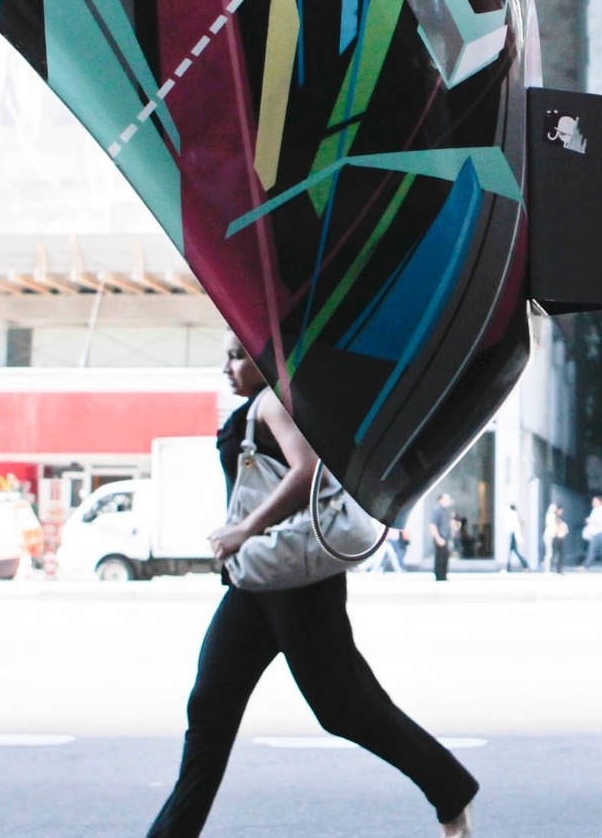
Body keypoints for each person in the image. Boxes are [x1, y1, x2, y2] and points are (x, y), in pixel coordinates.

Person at [148, 335, 477, 838]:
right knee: (210, 707)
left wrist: (244, 529)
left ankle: (450, 791)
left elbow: (305, 473)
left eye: (237, 356)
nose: (227, 368)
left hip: (296, 585)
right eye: (227, 357)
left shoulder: (272, 403)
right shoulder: (262, 406)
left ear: (267, 365)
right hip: (257, 583)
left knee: (345, 706)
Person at [429, 494, 455, 582]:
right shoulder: (437, 510)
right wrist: (438, 538)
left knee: (445, 558)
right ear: (442, 499)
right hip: (440, 538)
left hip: (445, 538)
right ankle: (439, 576)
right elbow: (432, 525)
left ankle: (443, 576)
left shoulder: (445, 511)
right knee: (439, 559)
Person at [581, 496, 602, 570]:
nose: (593, 503)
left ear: (600, 502)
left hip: (598, 533)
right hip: (597, 533)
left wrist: (590, 521)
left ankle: (586, 566)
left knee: (592, 550)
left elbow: (600, 522)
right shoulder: (596, 510)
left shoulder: (601, 511)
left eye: (595, 501)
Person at [500, 502, 529, 573]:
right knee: (512, 551)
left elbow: (514, 526)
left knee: (512, 550)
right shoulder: (515, 514)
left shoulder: (512, 514)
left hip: (513, 533)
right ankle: (521, 565)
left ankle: (510, 567)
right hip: (513, 533)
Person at [547, 504, 569, 572]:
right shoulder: (552, 517)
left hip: (560, 536)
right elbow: (554, 526)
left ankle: (558, 569)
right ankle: (550, 568)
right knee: (553, 553)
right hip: (555, 536)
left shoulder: (558, 518)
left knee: (561, 553)